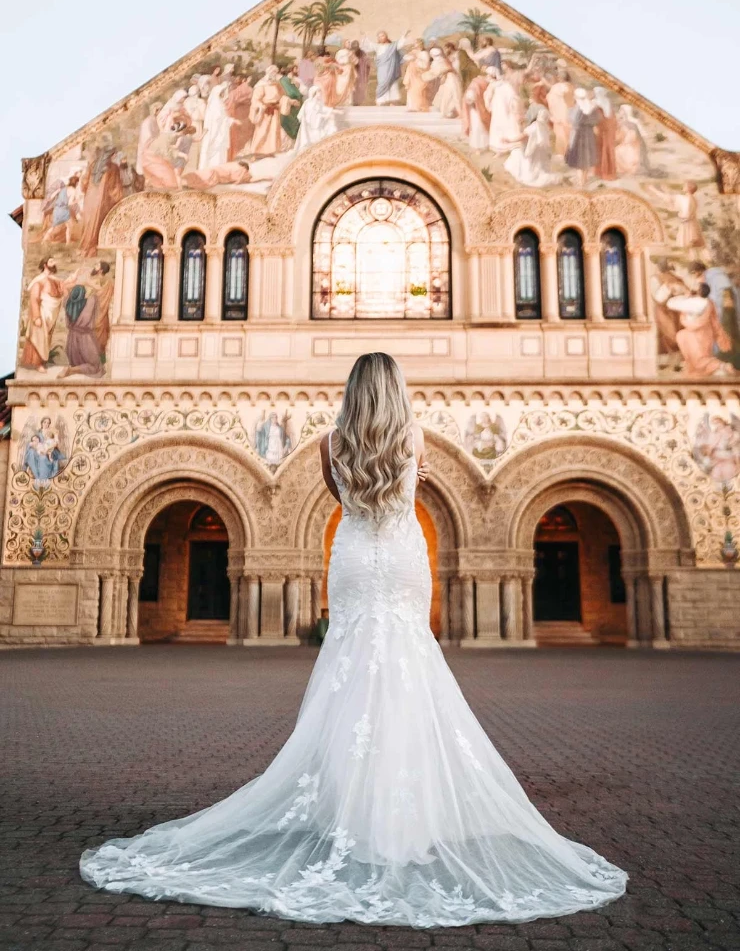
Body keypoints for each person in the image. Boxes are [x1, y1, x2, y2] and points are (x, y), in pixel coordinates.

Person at [80, 352, 627, 925]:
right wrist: (413, 477)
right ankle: (404, 818)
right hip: (400, 556)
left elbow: (346, 502)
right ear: (395, 389)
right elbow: (407, 497)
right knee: (408, 668)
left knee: (351, 669)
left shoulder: (329, 443)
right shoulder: (414, 436)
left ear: (352, 391)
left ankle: (350, 810)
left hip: (356, 558)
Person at [21, 257, 79, 371]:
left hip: (51, 315)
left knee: (45, 339)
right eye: (51, 261)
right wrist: (36, 316)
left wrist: (74, 276)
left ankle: (41, 362)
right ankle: (37, 364)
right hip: (42, 314)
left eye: (54, 261)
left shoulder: (54, 279)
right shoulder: (39, 280)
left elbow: (65, 286)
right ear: (45, 265)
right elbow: (34, 299)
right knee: (38, 337)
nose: (54, 263)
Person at [360, 30, 412, 105]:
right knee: (382, 82)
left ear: (386, 37)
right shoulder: (377, 46)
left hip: (391, 67)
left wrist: (405, 35)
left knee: (392, 83)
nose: (381, 37)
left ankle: (392, 100)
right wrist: (364, 37)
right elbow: (368, 45)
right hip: (382, 68)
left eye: (382, 35)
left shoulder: (392, 46)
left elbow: (400, 44)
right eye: (379, 36)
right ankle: (381, 100)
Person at [294, 85, 338, 152]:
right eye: (319, 93)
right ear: (314, 94)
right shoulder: (310, 103)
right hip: (312, 127)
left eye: (320, 92)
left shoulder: (318, 102)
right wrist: (325, 116)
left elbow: (323, 109)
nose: (320, 94)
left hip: (317, 124)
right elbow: (312, 116)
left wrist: (334, 111)